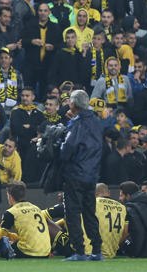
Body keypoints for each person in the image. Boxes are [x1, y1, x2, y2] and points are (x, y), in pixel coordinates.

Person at [59, 90, 104, 261]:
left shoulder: (77, 123)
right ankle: (97, 251)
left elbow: (67, 149)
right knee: (89, 213)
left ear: (72, 104)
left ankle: (79, 251)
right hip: (91, 174)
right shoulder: (97, 121)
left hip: (75, 174)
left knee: (73, 213)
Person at [0, 181, 51, 258]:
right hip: (45, 252)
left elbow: (0, 239)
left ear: (11, 197)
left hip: (27, 252)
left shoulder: (11, 212)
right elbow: (26, 235)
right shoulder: (36, 208)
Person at [22, 3, 62, 98]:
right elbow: (21, 41)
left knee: (45, 96)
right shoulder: (29, 25)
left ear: (49, 12)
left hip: (48, 67)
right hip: (31, 67)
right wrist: (31, 41)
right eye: (40, 10)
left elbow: (61, 46)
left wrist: (53, 47)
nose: (43, 13)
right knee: (28, 93)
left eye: (45, 10)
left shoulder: (56, 28)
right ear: (37, 12)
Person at [10, 86, 45, 160]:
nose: (24, 98)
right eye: (23, 95)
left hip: (35, 148)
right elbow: (18, 130)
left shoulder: (39, 113)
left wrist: (29, 126)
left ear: (33, 97)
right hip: (20, 147)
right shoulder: (16, 112)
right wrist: (35, 128)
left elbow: (42, 130)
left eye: (27, 96)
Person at [0, 47, 24, 116]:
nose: (3, 60)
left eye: (6, 57)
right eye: (1, 58)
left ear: (11, 60)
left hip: (13, 112)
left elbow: (21, 93)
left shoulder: (17, 74)